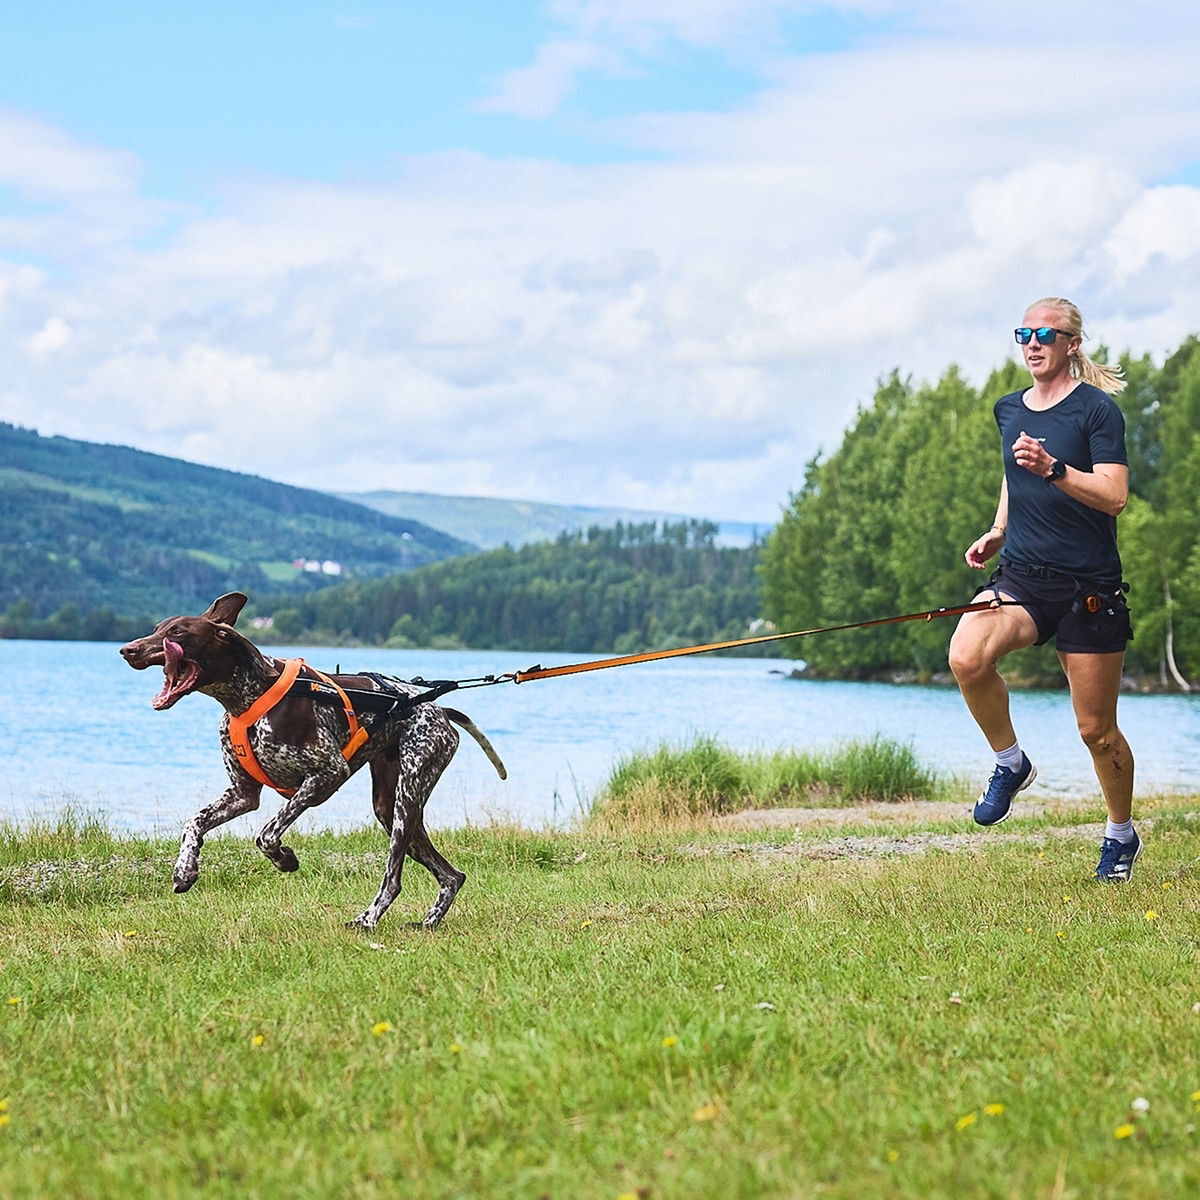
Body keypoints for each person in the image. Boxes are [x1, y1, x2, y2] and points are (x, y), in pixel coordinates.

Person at [948, 297, 1138, 881]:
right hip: (1026, 576)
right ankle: (1011, 763)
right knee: (966, 654)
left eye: (1045, 334)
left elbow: (1114, 496)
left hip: (1089, 586)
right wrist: (999, 530)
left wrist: (1055, 468)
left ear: (1071, 345)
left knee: (1095, 730)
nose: (1032, 343)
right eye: (1023, 333)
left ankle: (1119, 833)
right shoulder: (1009, 409)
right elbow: (1014, 475)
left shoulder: (1097, 412)